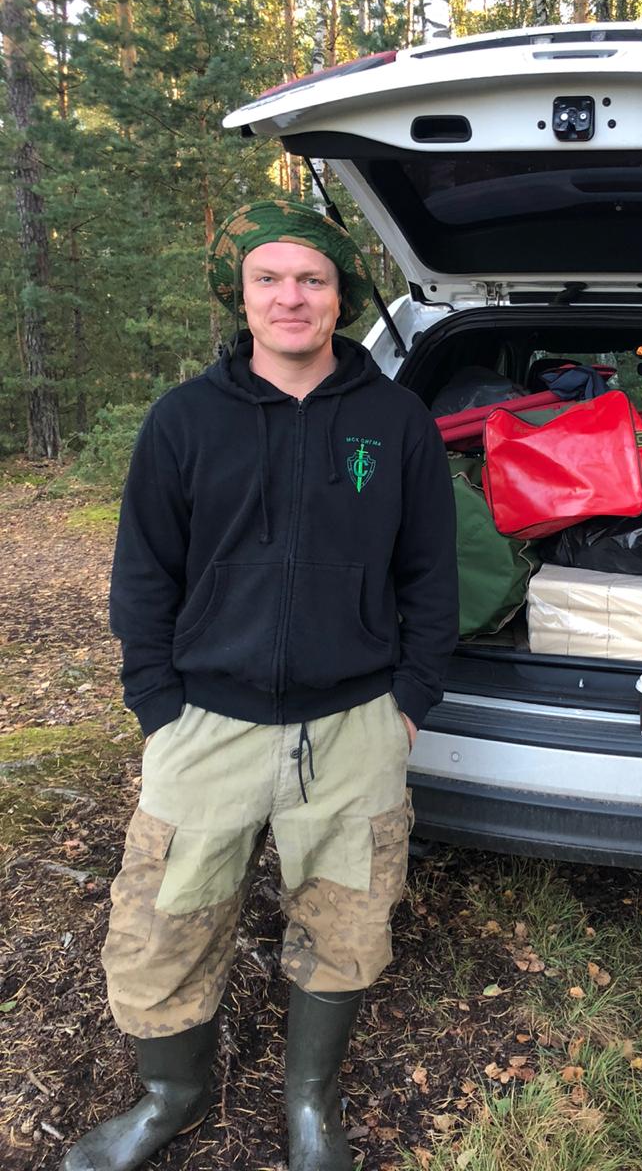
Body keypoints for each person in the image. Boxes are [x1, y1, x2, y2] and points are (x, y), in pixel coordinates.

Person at [61, 200, 459, 1171]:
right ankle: (170, 1094)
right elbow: (143, 576)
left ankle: (311, 1102)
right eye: (268, 278)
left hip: (355, 723)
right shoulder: (185, 420)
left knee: (348, 918)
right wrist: (157, 706)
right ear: (237, 294)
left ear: (340, 295)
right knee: (165, 921)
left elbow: (430, 575)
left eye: (312, 278)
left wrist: (409, 701)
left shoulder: (394, 421)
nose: (291, 297)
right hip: (205, 723)